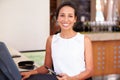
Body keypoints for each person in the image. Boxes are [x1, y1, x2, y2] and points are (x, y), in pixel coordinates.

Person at [21, 1, 93, 80]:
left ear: (75, 19)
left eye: (70, 16)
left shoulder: (84, 40)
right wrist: (30, 73)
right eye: (62, 15)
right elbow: (47, 67)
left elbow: (89, 71)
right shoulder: (51, 40)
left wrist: (71, 79)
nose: (66, 20)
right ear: (57, 18)